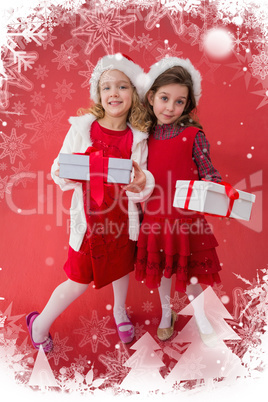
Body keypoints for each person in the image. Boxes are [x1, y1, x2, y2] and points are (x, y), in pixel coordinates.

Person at [26, 53, 155, 351]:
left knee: (122, 266)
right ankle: (40, 325)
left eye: (122, 87)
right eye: (107, 87)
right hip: (90, 222)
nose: (114, 93)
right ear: (98, 93)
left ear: (134, 94)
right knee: (79, 279)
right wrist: (67, 170)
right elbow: (60, 169)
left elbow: (143, 179)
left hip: (123, 220)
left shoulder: (137, 138)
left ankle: (119, 311)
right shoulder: (83, 128)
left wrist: (140, 183)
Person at [135, 57, 222, 343]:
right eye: (164, 98)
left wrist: (222, 195)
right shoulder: (144, 137)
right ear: (151, 97)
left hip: (186, 220)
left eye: (179, 102)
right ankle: (165, 313)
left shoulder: (192, 135)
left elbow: (209, 172)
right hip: (155, 218)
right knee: (162, 274)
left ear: (187, 105)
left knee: (191, 279)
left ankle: (199, 316)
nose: (170, 108)